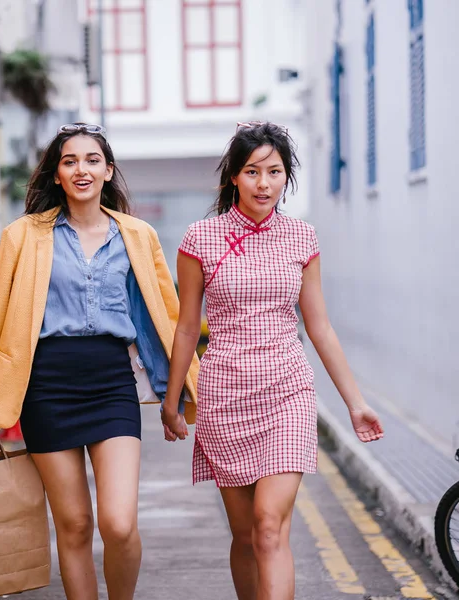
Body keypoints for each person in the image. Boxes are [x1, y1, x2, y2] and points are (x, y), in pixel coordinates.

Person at [0, 123, 199, 600]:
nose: (81, 169)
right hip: (46, 389)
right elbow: (0, 324)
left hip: (111, 384)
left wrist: (173, 398)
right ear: (56, 174)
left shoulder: (137, 235)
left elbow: (165, 317)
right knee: (72, 526)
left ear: (108, 170)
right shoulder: (22, 236)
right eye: (70, 161)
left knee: (118, 523)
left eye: (92, 160)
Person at [161, 122, 384, 600]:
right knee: (244, 537)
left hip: (287, 390)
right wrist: (173, 399)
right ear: (233, 179)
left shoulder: (302, 238)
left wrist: (355, 402)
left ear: (287, 178)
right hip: (225, 394)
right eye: (252, 171)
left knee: (268, 527)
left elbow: (319, 326)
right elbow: (185, 326)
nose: (264, 183)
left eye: (275, 172)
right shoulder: (201, 238)